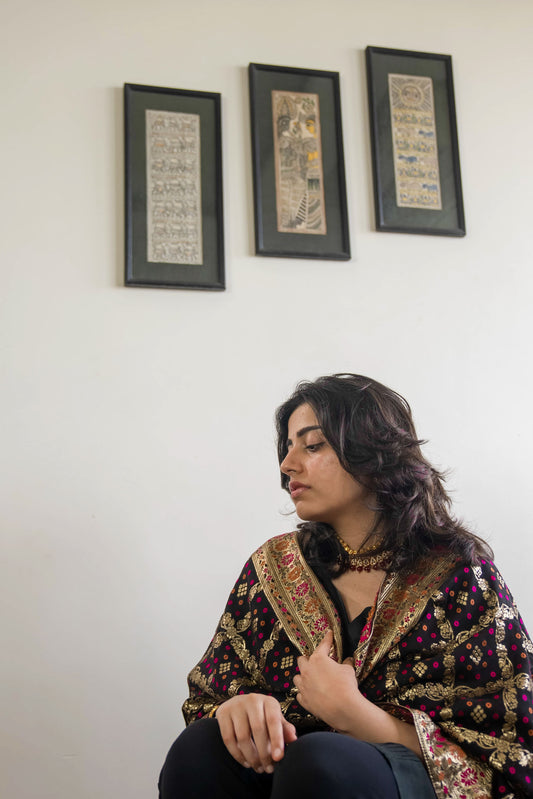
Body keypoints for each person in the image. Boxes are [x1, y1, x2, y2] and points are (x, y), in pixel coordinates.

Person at [159, 374, 533, 799]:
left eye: (312, 445)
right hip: (287, 770)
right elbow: (209, 696)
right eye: (287, 447)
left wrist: (352, 713)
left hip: (396, 778)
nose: (287, 465)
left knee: (322, 762)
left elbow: (510, 750)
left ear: (373, 452)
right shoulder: (272, 568)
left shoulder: (459, 577)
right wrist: (239, 709)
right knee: (201, 748)